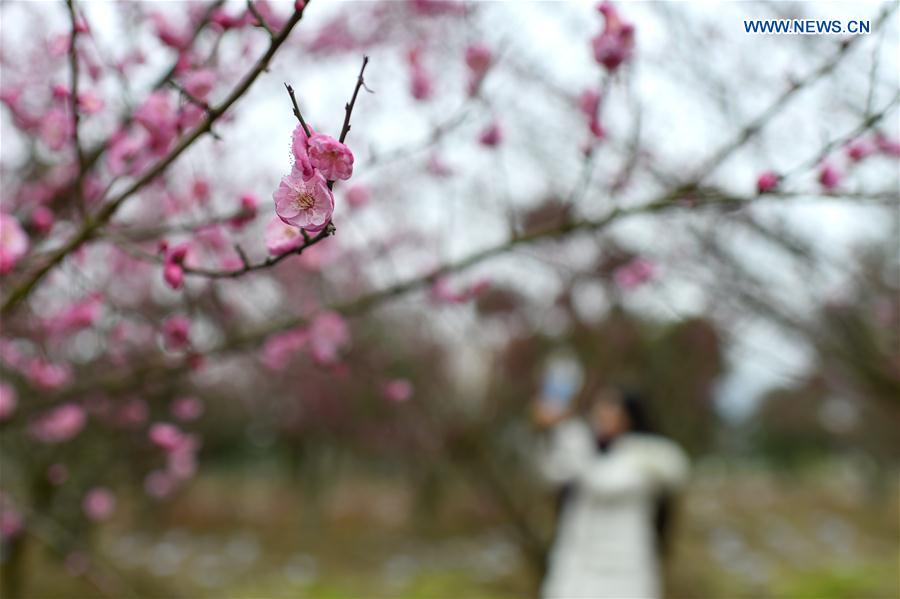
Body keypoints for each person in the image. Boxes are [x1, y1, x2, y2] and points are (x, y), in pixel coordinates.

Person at [533, 385, 689, 599]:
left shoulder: (647, 456)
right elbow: (550, 472)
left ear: (630, 414)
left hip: (622, 571)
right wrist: (547, 431)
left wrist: (567, 428)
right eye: (600, 407)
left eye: (611, 408)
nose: (602, 414)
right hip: (578, 568)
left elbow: (602, 483)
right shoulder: (590, 448)